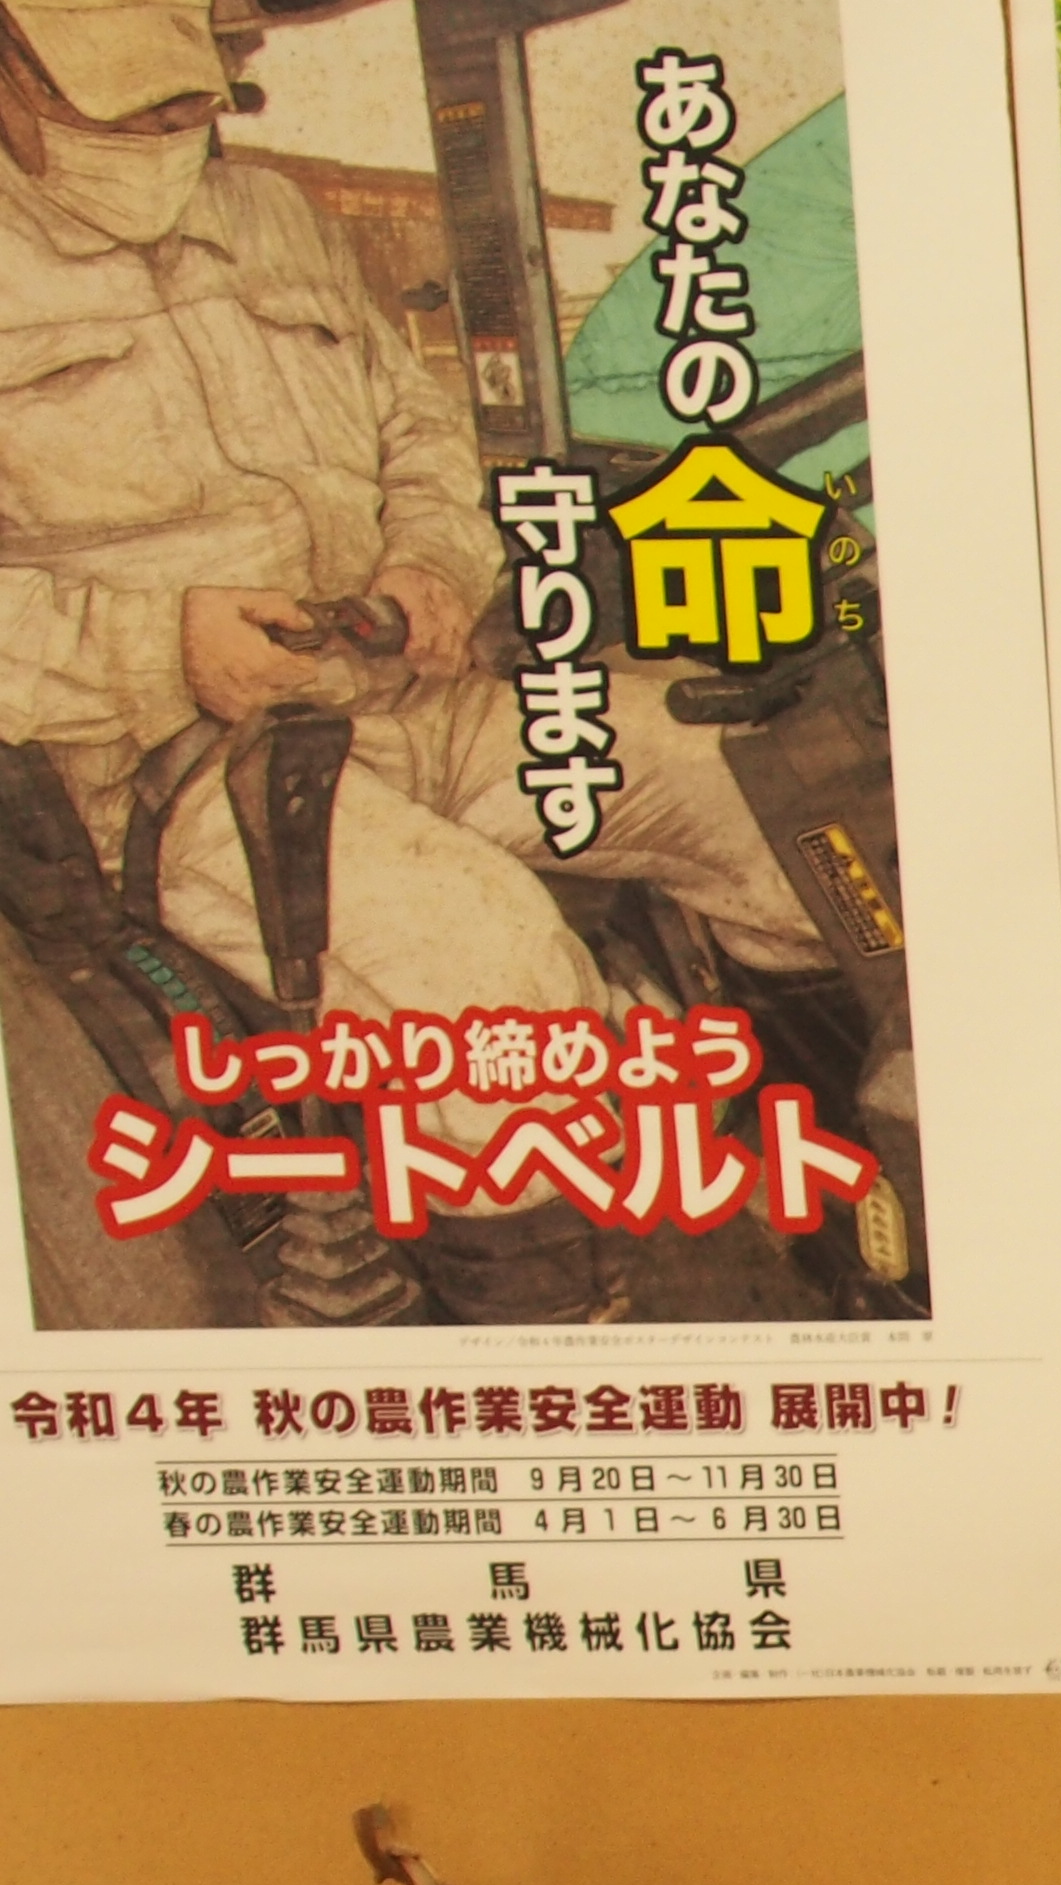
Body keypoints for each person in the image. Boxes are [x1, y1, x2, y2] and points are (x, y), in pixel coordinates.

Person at [0, 0, 871, 1327]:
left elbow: (420, 430)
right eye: (131, 112)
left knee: (788, 805)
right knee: (492, 967)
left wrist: (435, 565)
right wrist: (160, 645)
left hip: (408, 690)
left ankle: (857, 1229)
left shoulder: (276, 221)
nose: (177, 135)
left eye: (194, 103)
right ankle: (556, 1338)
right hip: (169, 768)